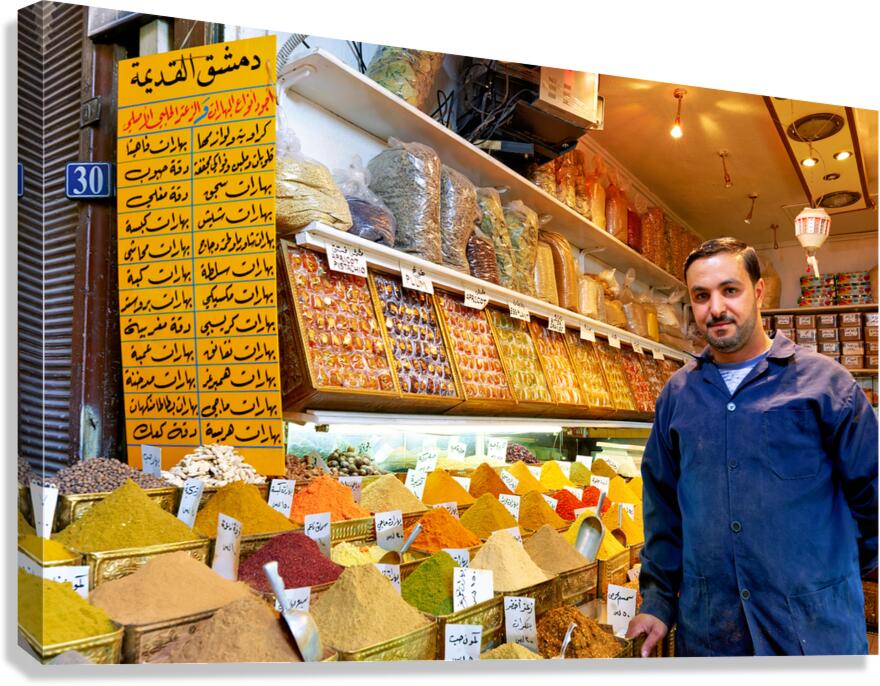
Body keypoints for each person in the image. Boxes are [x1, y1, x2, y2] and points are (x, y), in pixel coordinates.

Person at [626, 237, 878, 656]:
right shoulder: (678, 395)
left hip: (813, 636)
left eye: (730, 290)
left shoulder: (827, 386)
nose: (716, 309)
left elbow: (873, 492)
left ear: (758, 292)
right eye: (701, 296)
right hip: (713, 636)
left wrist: (832, 571)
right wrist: (657, 601)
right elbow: (663, 508)